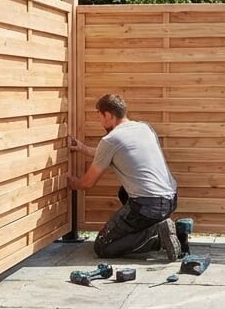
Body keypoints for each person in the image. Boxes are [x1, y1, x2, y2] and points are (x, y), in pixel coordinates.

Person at [68, 94, 181, 260]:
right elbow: (113, 154)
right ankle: (177, 230)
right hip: (170, 200)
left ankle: (157, 236)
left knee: (103, 247)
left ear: (108, 115)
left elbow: (87, 183)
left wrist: (73, 183)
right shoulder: (144, 128)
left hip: (148, 206)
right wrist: (82, 148)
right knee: (124, 192)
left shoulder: (111, 140)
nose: (100, 122)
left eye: (99, 116)